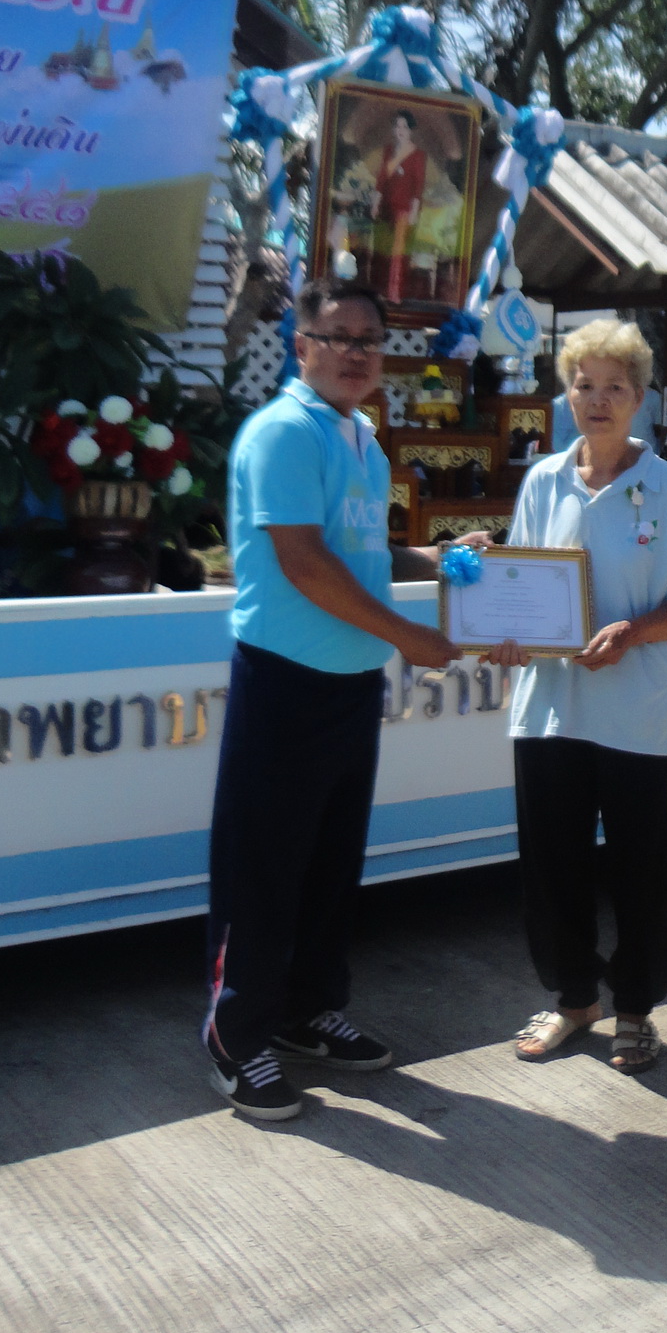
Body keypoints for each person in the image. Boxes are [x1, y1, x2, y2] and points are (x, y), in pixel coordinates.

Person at [204, 276, 473, 1123]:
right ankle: (236, 1037)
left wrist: (439, 560)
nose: (358, 352)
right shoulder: (283, 431)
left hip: (351, 682)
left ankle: (308, 1011)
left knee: (328, 864)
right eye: (339, 336)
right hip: (285, 678)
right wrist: (406, 635)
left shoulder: (363, 439)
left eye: (370, 339)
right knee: (263, 868)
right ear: (302, 346)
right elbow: (303, 562)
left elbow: (361, 552)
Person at [498, 318, 667, 1076]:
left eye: (614, 387)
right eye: (583, 385)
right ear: (566, 395)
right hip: (549, 710)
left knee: (641, 873)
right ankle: (573, 1000)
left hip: (638, 717)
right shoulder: (541, 480)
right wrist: (505, 631)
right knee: (551, 867)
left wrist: (633, 633)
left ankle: (634, 1011)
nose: (597, 400)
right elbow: (523, 584)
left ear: (641, 397)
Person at [369, 110, 427, 302]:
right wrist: (375, 204)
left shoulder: (418, 155)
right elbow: (381, 180)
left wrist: (414, 211)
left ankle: (395, 294)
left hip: (404, 210)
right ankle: (380, 292)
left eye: (404, 127)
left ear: (411, 130)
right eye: (397, 126)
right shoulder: (388, 151)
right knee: (382, 251)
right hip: (386, 209)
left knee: (398, 253)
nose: (400, 130)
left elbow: (418, 186)